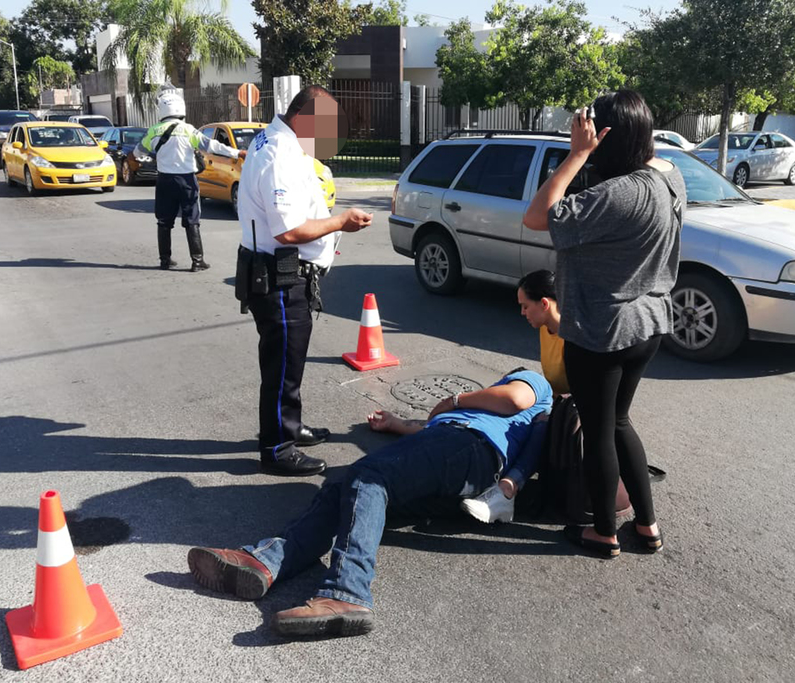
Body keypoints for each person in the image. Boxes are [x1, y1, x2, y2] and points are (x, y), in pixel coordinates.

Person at [187, 369, 553, 637]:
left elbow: (514, 399)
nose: (522, 310)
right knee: (347, 491)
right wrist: (396, 424)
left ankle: (348, 590)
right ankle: (268, 561)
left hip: (467, 447)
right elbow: (430, 434)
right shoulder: (499, 417)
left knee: (369, 476)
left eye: (525, 304)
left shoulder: (531, 381)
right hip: (459, 464)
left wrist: (454, 400)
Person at [523, 89, 684, 558]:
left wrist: (577, 154)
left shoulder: (617, 194)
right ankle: (647, 527)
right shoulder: (670, 177)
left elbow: (536, 216)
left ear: (604, 135)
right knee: (618, 422)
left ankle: (604, 533)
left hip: (602, 330)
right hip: (649, 323)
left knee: (597, 432)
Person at [236, 85, 374, 477]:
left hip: (281, 271)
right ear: (303, 118)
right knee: (282, 367)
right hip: (280, 275)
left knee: (288, 362)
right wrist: (341, 222)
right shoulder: (280, 155)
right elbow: (289, 231)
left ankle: (290, 427)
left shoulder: (276, 140)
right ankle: (277, 448)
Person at [460, 269, 566, 524]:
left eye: (525, 306)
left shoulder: (573, 336)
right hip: (553, 400)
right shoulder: (545, 328)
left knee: (539, 422)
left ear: (544, 304)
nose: (522, 312)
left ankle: (506, 490)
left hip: (574, 409)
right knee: (511, 410)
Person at [134, 87, 240, 271]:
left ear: (162, 110)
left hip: (164, 181)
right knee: (192, 220)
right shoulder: (189, 130)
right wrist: (237, 152)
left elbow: (138, 152)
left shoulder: (153, 131)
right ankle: (197, 261)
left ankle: (165, 261)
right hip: (187, 181)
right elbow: (212, 146)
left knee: (164, 221)